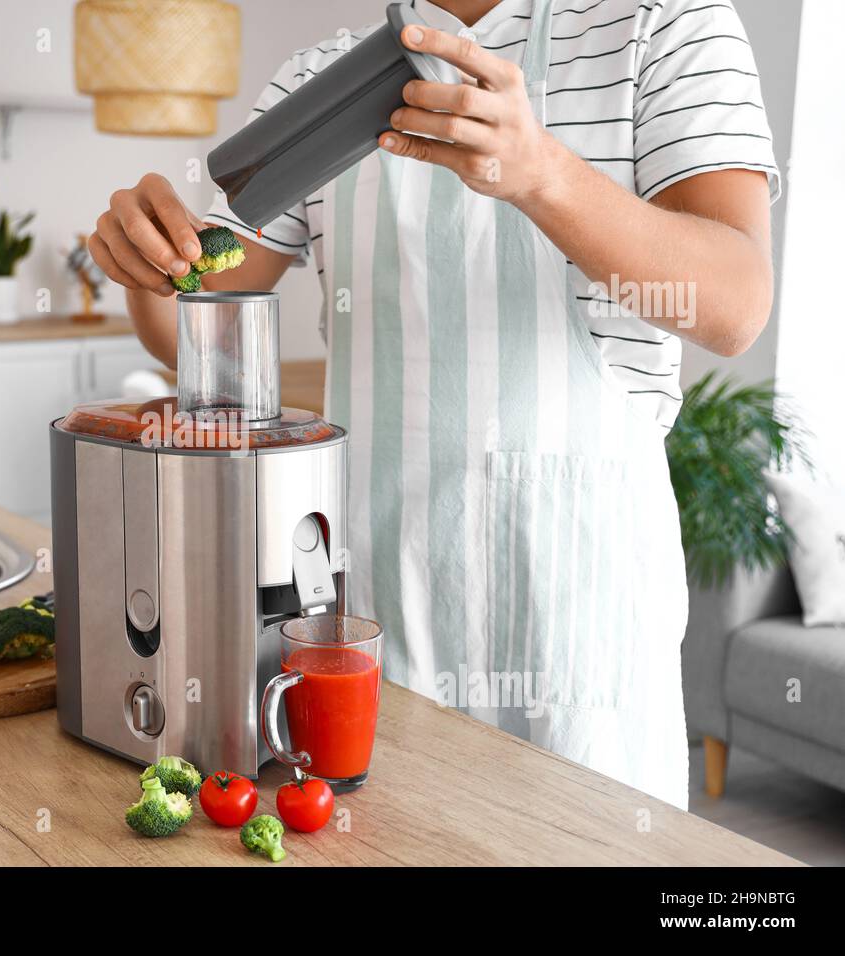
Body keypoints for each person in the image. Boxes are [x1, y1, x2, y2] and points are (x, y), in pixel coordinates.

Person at [87, 0, 780, 810]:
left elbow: (735, 306)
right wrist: (151, 259)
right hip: (377, 619)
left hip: (580, 633)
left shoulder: (664, 27)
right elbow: (195, 325)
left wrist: (544, 175)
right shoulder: (320, 83)